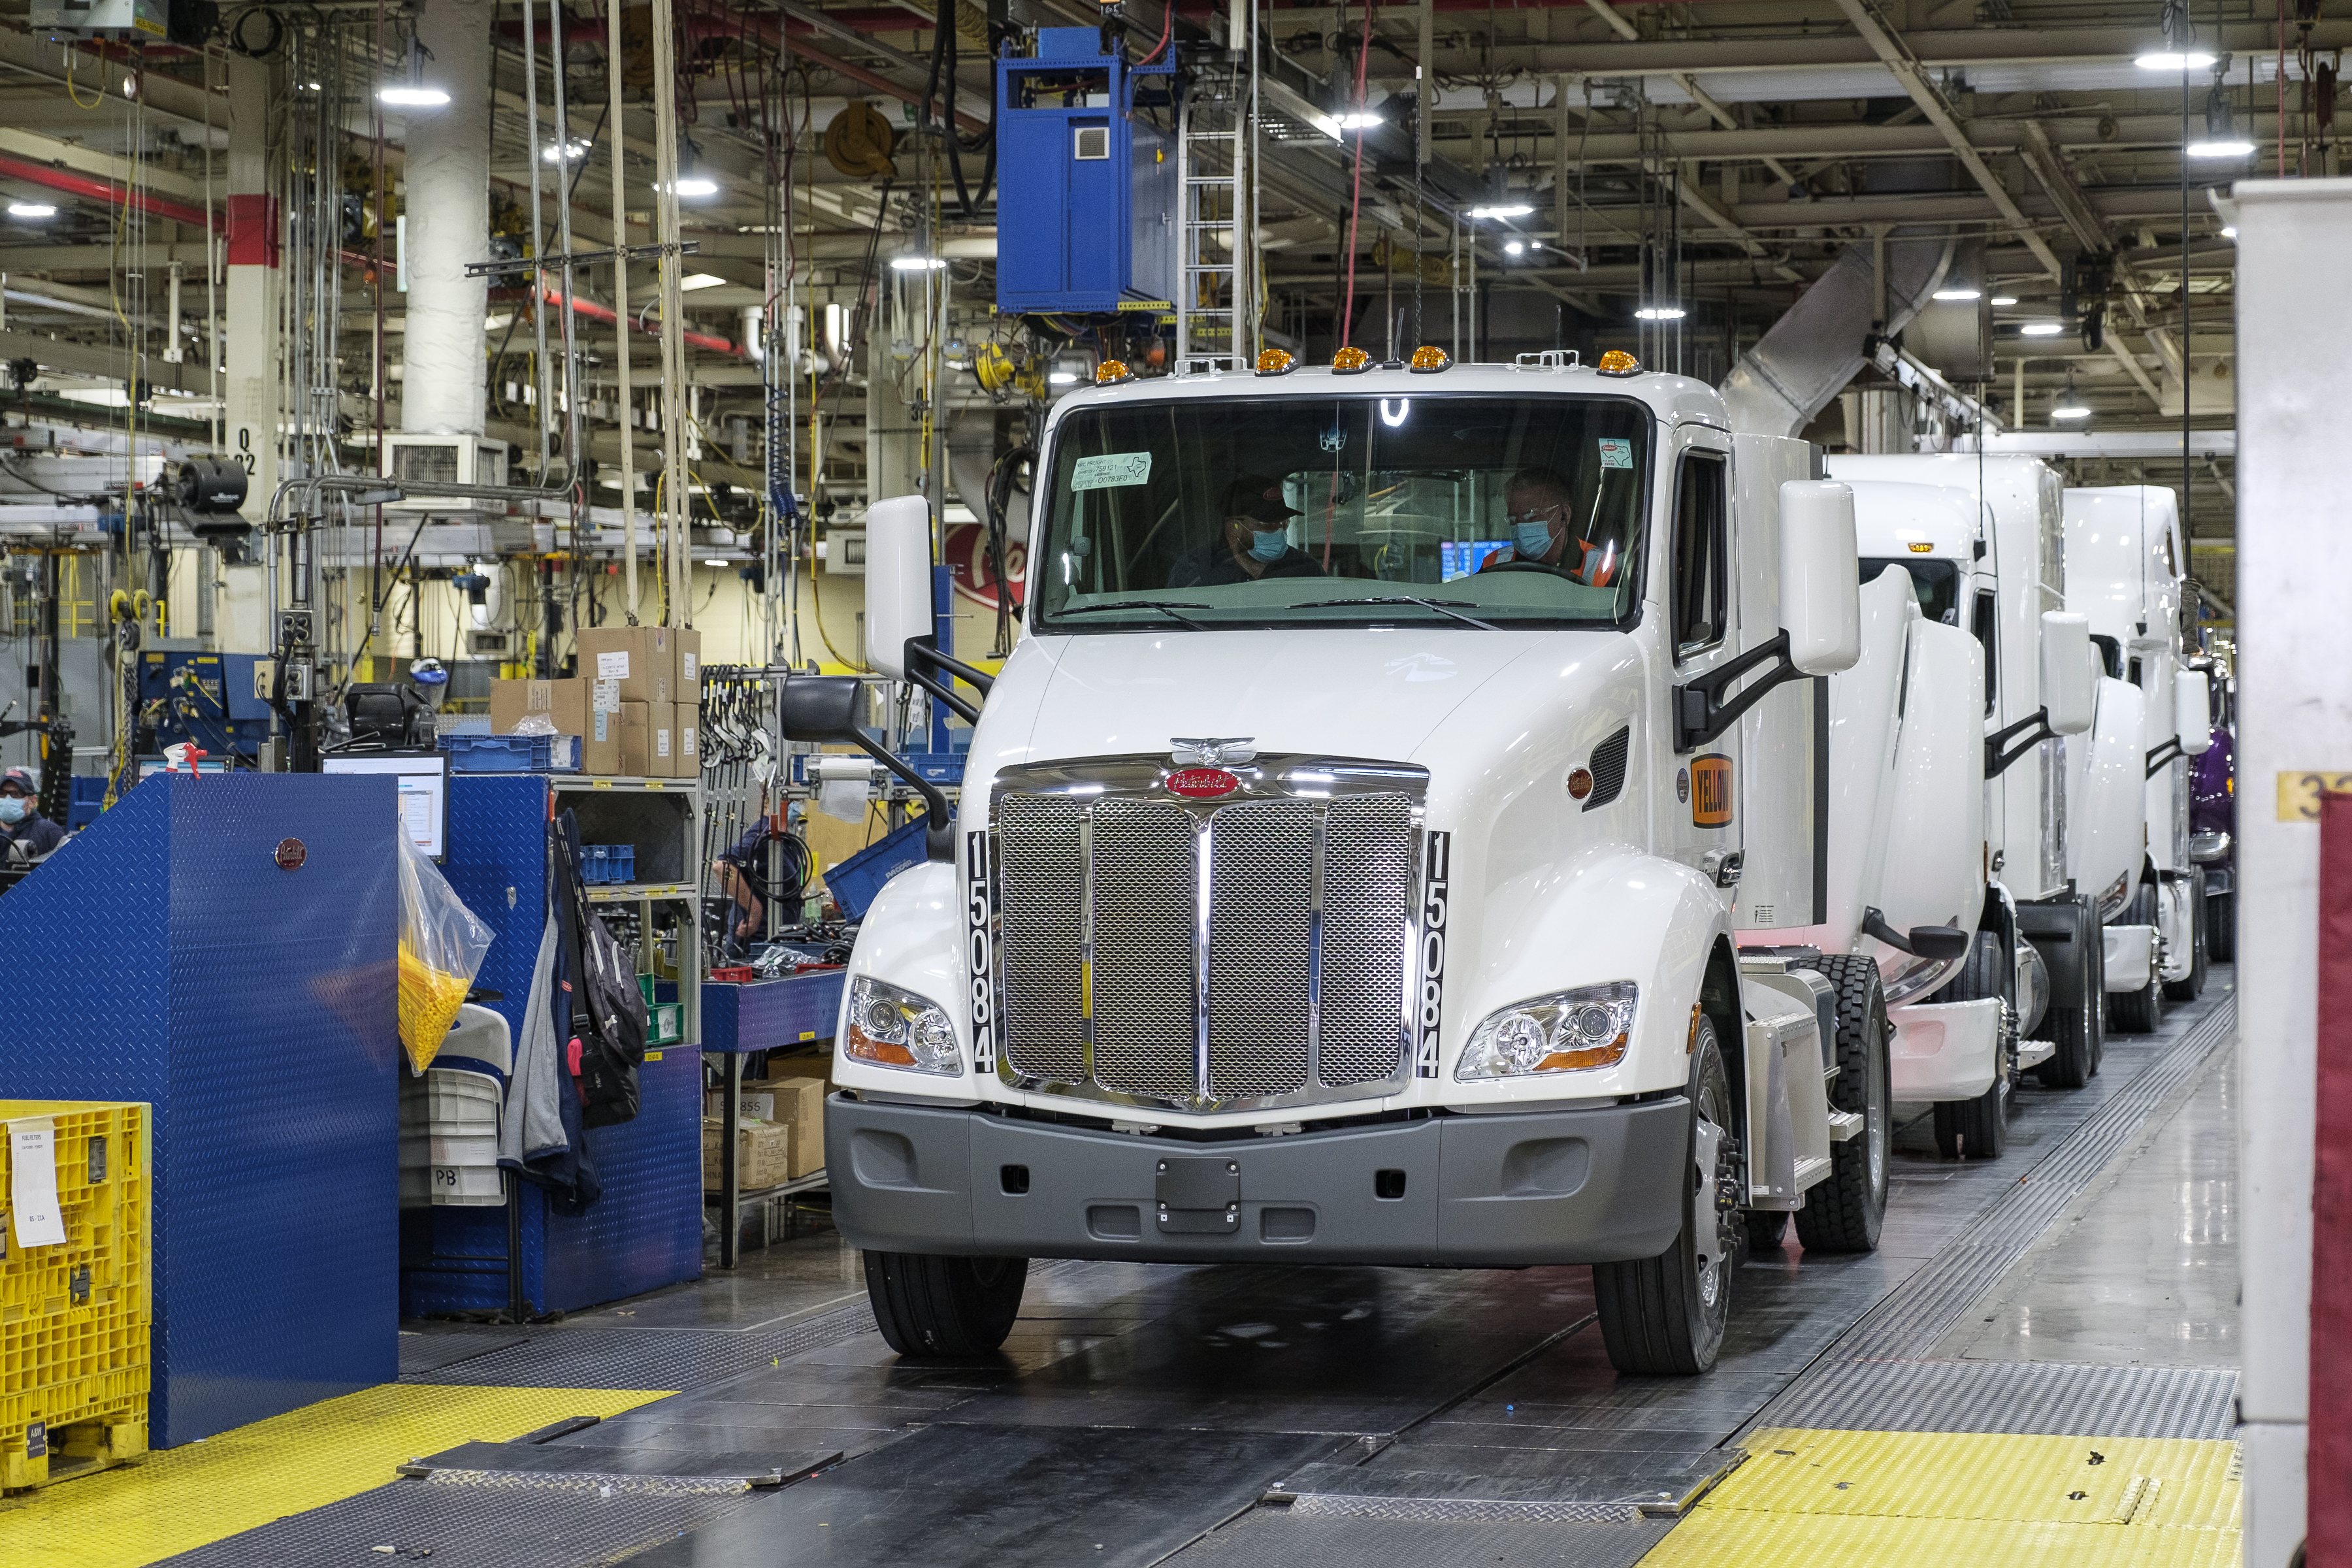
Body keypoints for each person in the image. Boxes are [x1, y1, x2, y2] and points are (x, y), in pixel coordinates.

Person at [1168, 474, 1326, 588]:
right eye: (1268, 524)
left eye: (1284, 523)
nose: (1280, 530)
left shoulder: (1306, 569)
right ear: (1234, 529)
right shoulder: (1196, 570)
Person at [1478, 466, 1622, 586]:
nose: (1521, 526)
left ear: (1564, 515)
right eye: (1513, 519)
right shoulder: (1494, 563)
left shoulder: (1601, 568)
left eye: (1531, 516)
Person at [0, 767, 63, 858]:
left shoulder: (50, 833)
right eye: (2, 793)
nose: (8, 799)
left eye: (16, 794)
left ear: (33, 801)